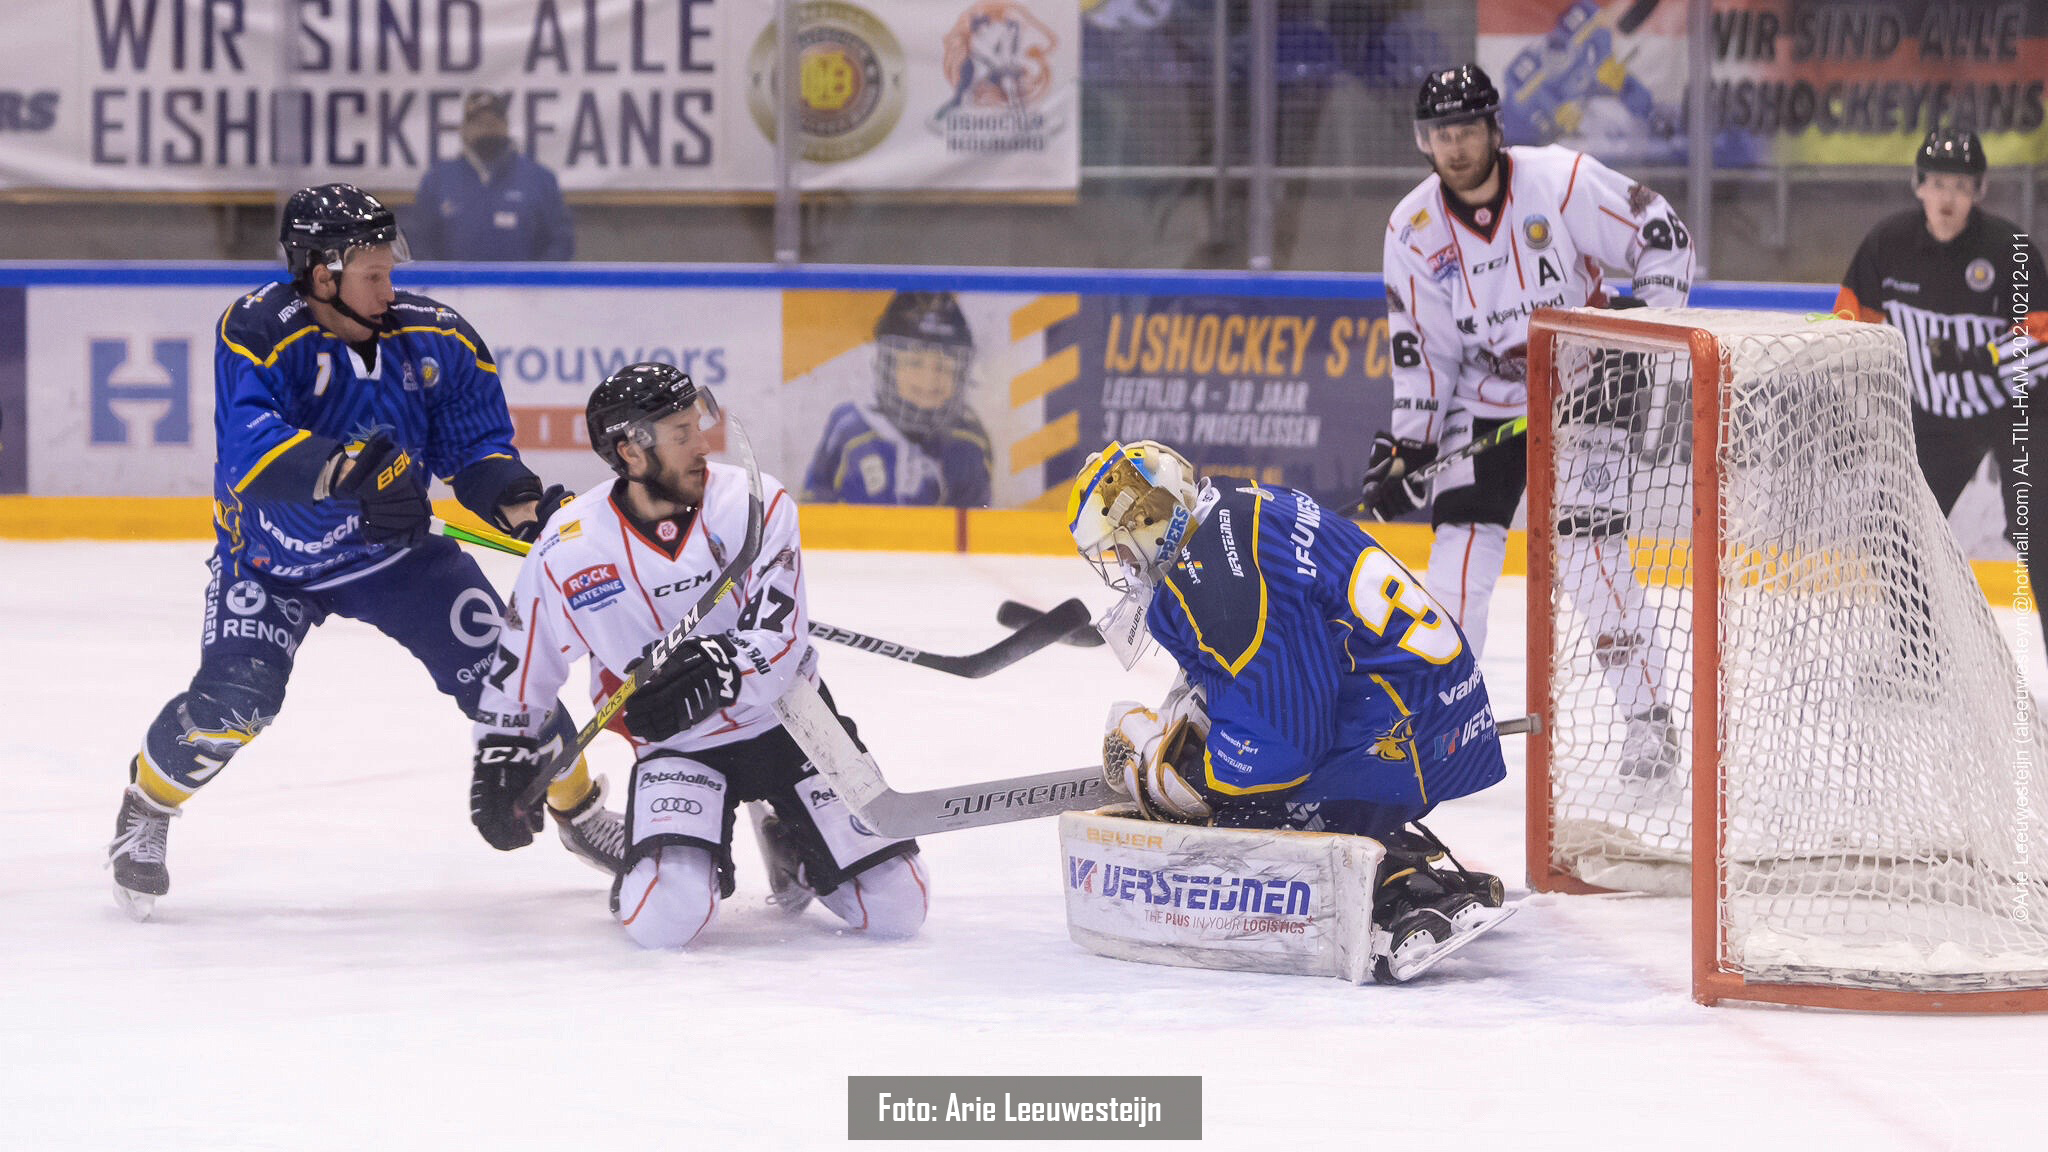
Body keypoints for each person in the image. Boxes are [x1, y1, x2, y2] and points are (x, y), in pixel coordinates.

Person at [105, 184, 619, 920]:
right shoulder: (258, 330)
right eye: (372, 275)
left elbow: (475, 451)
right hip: (272, 561)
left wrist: (527, 509)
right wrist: (354, 473)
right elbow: (250, 452)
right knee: (235, 701)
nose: (389, 288)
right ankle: (146, 806)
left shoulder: (433, 339)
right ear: (320, 274)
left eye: (390, 270)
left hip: (396, 557)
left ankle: (577, 809)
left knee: (510, 683)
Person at [471, 363, 929, 949]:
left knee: (898, 909)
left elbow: (781, 638)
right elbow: (522, 663)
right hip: (679, 746)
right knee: (666, 920)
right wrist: (500, 752)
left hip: (792, 723)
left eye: (698, 425)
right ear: (629, 451)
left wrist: (722, 667)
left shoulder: (755, 503)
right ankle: (651, 857)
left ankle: (796, 844)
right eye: (681, 434)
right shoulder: (567, 545)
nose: (703, 445)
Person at [1068, 438, 1509, 982]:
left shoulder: (1217, 580)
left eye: (1122, 546)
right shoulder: (1235, 510)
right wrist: (1202, 722)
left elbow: (1289, 740)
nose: (1124, 565)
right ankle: (1385, 842)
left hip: (1409, 732)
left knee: (1241, 807)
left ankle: (1397, 884)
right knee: (1246, 763)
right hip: (1436, 713)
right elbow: (1267, 664)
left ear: (1151, 520)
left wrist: (1197, 777)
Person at [1361, 62, 1695, 778]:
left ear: (1494, 129)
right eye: (1439, 132)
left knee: (1589, 556)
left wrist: (1649, 326)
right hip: (1487, 402)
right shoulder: (1412, 227)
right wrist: (1408, 445)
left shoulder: (1560, 180)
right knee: (1457, 561)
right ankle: (1435, 718)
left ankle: (1648, 722)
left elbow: (1663, 235)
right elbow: (1426, 347)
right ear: (1425, 141)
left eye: (1465, 129)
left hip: (1589, 380)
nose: (1453, 145)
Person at [1836, 128, 2048, 653]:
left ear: (1979, 191)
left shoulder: (2010, 250)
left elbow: (2041, 342)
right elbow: (1847, 324)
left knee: (2039, 536)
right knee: (1890, 523)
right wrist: (1838, 411)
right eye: (1936, 183)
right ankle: (1917, 655)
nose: (1947, 197)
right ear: (1917, 185)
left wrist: (1980, 357)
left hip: (2016, 413)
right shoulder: (1886, 245)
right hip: (1934, 417)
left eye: (1959, 185)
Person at [802, 291, 994, 507]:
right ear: (888, 366)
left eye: (943, 367)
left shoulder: (969, 440)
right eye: (914, 364)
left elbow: (975, 529)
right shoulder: (849, 429)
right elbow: (813, 512)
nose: (929, 380)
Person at [409, 91, 574, 262]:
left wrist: (535, 282)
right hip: (453, 287)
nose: (488, 130)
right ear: (464, 130)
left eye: (494, 123)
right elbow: (418, 242)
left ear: (506, 126)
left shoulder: (540, 179)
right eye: (480, 123)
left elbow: (561, 242)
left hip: (524, 287)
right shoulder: (438, 180)